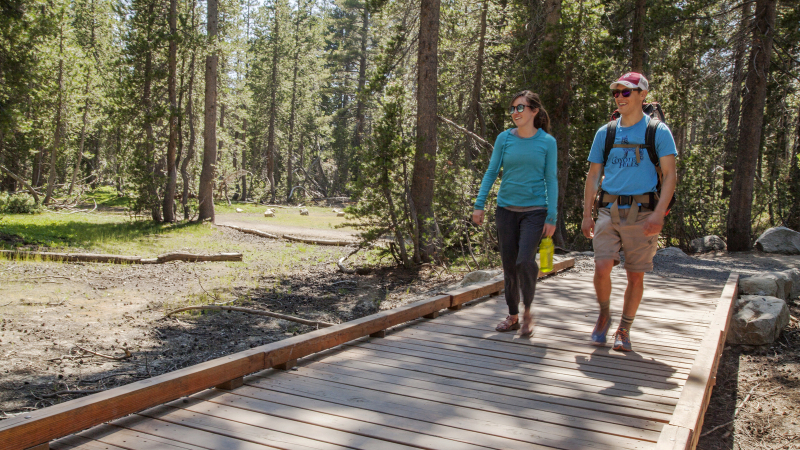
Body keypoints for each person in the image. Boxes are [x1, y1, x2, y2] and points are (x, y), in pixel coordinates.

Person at [581, 72, 677, 352]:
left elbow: (670, 175)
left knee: (636, 275)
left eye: (626, 92)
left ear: (642, 95)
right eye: (616, 92)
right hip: (608, 210)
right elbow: (593, 175)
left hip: (644, 212)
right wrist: (587, 214)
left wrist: (659, 213)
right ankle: (603, 314)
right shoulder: (606, 132)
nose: (619, 97)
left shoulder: (657, 132)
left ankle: (624, 328)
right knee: (601, 267)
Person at [473, 91, 557, 336]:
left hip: (535, 210)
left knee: (524, 262)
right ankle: (512, 316)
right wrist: (479, 204)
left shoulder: (547, 142)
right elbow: (491, 172)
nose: (515, 113)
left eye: (520, 107)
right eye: (512, 109)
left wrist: (551, 215)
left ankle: (528, 310)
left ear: (534, 111)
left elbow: (551, 179)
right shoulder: (504, 139)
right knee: (509, 266)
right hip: (506, 210)